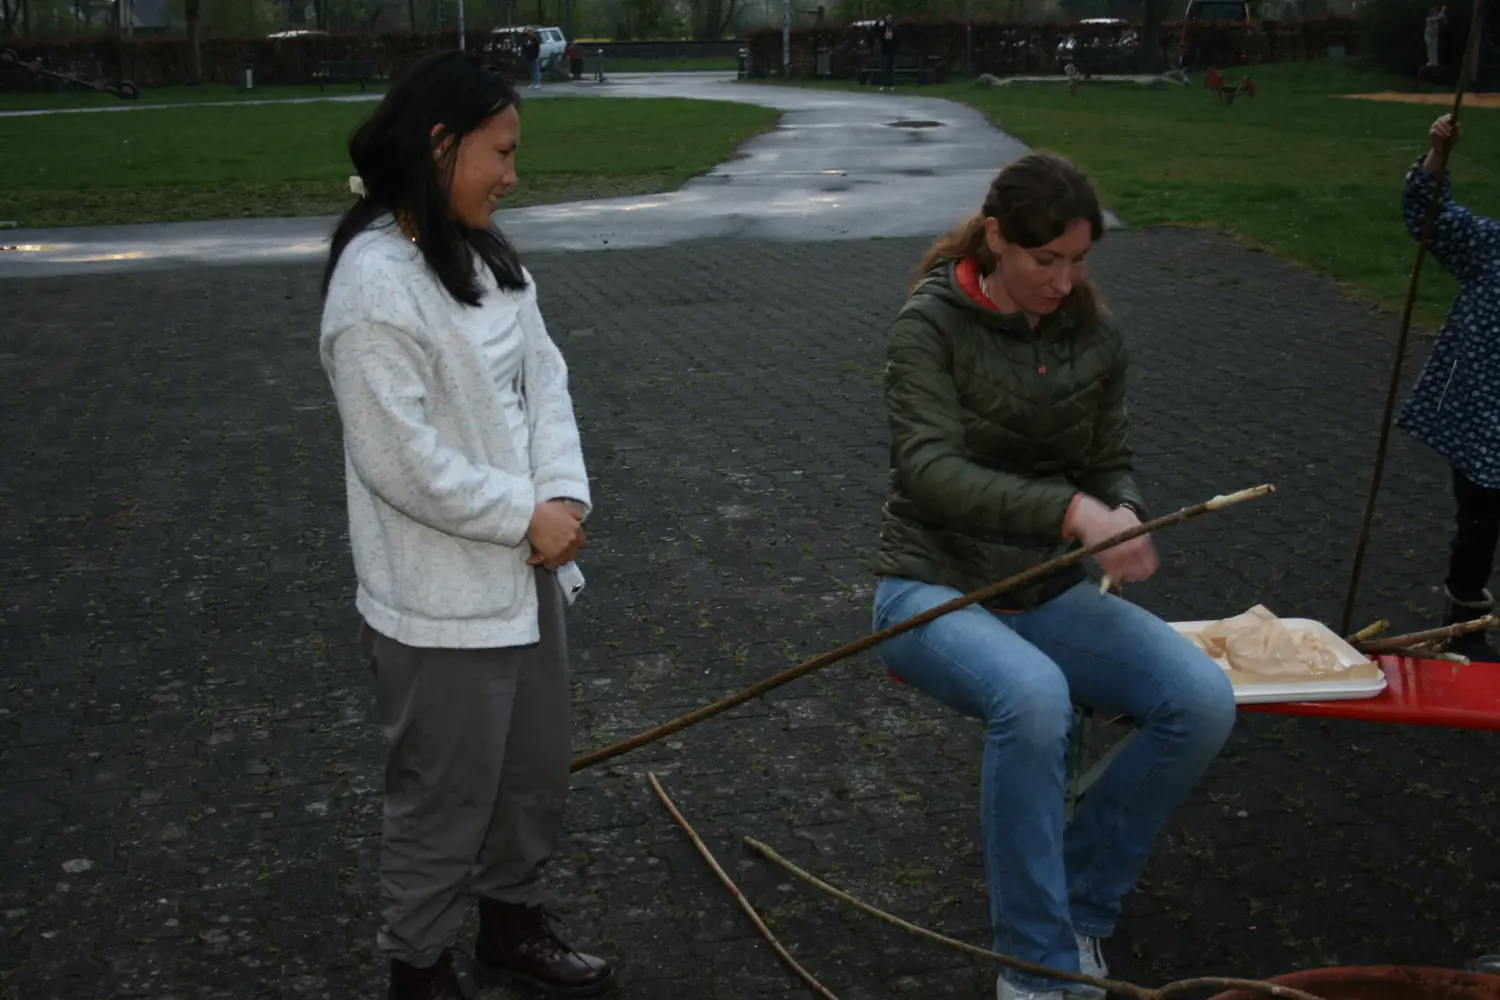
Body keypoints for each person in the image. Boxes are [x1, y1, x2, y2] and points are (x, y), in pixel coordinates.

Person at [870, 152, 1237, 1000]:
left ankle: (1077, 907)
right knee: (1035, 698)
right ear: (997, 237)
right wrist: (1074, 514)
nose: (1065, 281)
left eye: (1078, 260)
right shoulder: (928, 327)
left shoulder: (1095, 335)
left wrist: (1125, 512)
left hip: (1046, 589)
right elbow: (929, 472)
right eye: (1047, 260)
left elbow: (1110, 459)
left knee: (1201, 700)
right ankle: (1034, 974)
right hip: (930, 584)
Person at [318, 51, 613, 1000]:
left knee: (533, 771)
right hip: (440, 604)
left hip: (526, 574)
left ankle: (512, 926)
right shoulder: (374, 286)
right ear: (441, 146)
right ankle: (419, 967)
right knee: (444, 796)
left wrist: (561, 495)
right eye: (503, 152)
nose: (513, 175)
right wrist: (522, 513)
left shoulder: (483, 251)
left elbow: (545, 375)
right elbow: (398, 459)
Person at [1396, 114, 1500, 664]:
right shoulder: (1490, 248)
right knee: (1479, 520)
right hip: (1486, 418)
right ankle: (1462, 626)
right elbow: (1428, 213)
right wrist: (1439, 152)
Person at [878, 14, 898, 91]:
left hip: (892, 50)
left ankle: (891, 84)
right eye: (887, 18)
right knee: (884, 68)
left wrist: (896, 49)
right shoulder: (883, 28)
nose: (889, 20)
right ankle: (883, 84)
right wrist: (878, 22)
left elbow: (896, 39)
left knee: (891, 68)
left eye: (890, 18)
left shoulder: (894, 28)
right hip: (885, 50)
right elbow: (877, 31)